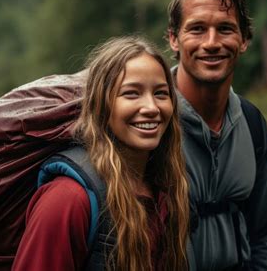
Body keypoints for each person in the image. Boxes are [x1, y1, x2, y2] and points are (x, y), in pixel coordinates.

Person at [12, 36, 190, 270]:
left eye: (160, 94)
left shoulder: (165, 191)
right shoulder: (67, 200)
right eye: (131, 93)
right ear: (101, 105)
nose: (151, 108)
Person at [167, 0, 267, 270]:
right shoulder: (147, 119)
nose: (211, 43)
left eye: (225, 29)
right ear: (174, 39)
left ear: (244, 40)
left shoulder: (253, 124)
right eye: (197, 29)